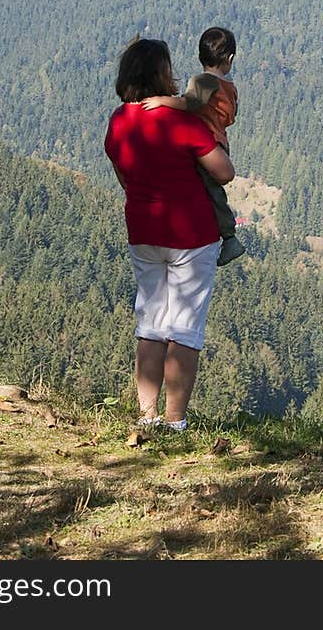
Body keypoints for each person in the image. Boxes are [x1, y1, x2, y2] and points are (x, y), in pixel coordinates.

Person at [104, 37, 235, 431]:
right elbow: (223, 172)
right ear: (162, 74)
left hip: (143, 231)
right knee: (184, 328)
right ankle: (175, 421)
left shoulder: (119, 120)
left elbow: (123, 174)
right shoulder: (182, 121)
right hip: (192, 234)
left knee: (151, 323)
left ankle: (146, 417)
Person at [142, 26, 245, 266]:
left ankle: (229, 237)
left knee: (206, 189)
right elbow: (231, 117)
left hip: (206, 145)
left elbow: (190, 103)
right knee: (213, 192)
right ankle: (227, 236)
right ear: (229, 59)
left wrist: (161, 102)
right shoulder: (229, 88)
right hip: (219, 141)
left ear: (200, 56)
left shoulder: (204, 81)